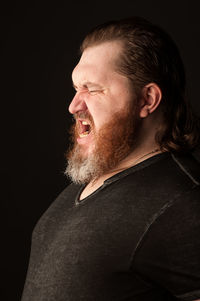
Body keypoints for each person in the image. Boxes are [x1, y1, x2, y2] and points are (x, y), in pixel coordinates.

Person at [21, 17, 200, 301]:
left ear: (147, 100)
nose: (73, 105)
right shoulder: (91, 182)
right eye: (75, 88)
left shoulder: (182, 202)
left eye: (92, 89)